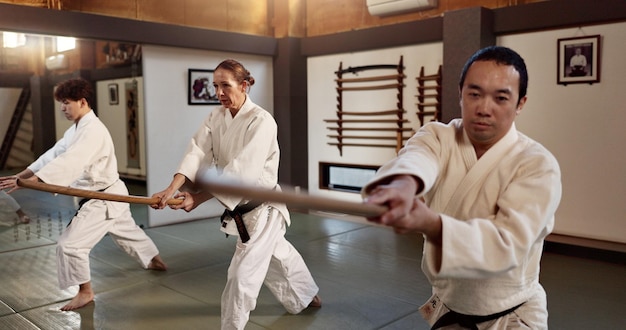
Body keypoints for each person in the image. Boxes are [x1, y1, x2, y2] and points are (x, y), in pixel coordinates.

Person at [362, 46, 561, 329]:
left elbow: (506, 245)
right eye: (474, 93)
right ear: (461, 93)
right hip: (449, 307)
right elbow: (417, 159)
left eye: (501, 98)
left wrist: (432, 224)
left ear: (520, 103)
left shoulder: (538, 165)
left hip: (511, 316)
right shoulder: (438, 136)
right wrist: (403, 186)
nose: (483, 108)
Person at [151, 59, 320, 330]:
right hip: (242, 211)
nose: (219, 93)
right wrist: (172, 188)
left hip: (264, 209)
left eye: (225, 86)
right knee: (279, 254)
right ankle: (307, 293)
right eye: (215, 86)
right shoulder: (215, 117)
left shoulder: (262, 121)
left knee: (241, 277)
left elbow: (241, 173)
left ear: (244, 86)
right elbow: (196, 152)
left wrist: (199, 198)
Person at [0, 78, 167, 311]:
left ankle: (85, 292)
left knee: (70, 245)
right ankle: (155, 260)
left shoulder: (93, 131)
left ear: (83, 101)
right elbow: (52, 155)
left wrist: (32, 182)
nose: (62, 108)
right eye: (61, 103)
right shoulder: (76, 130)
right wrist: (24, 175)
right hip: (109, 193)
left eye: (67, 102)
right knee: (128, 232)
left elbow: (72, 160)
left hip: (103, 198)